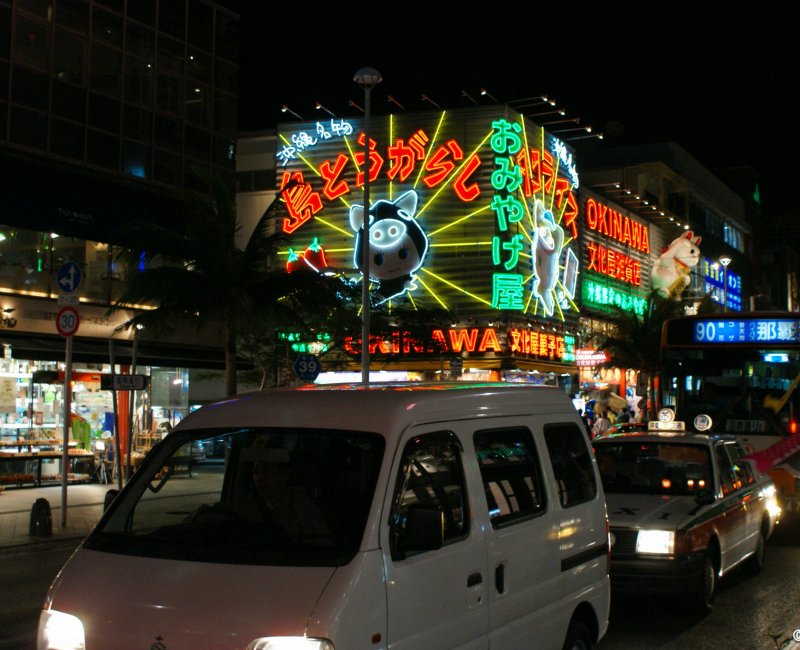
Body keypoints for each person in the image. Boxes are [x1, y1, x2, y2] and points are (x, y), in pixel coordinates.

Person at [245, 448, 332, 540]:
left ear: (284, 475)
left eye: (267, 471)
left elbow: (322, 543)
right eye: (256, 472)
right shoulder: (246, 505)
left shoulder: (304, 508)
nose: (259, 478)